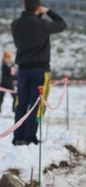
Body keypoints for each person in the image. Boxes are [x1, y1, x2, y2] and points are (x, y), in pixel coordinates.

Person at [11, 0, 67, 146]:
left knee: (21, 103)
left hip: (22, 70)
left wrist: (37, 14)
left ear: (24, 6)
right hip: (40, 70)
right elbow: (62, 24)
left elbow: (30, 30)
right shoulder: (42, 25)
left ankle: (18, 136)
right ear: (38, 7)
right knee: (36, 104)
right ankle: (30, 137)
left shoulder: (15, 24)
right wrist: (48, 12)